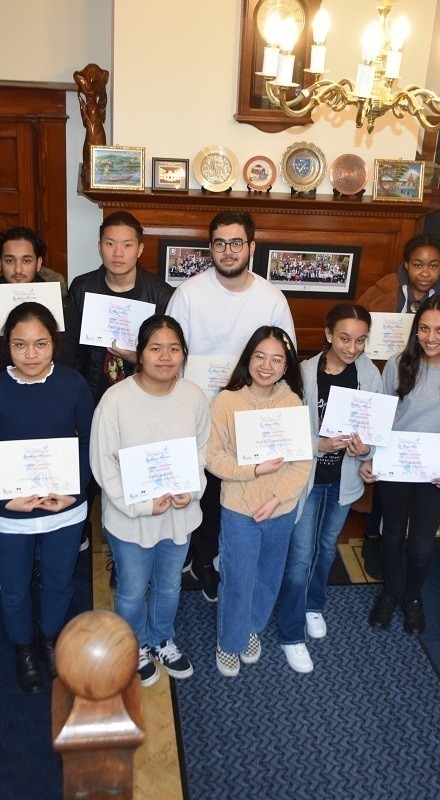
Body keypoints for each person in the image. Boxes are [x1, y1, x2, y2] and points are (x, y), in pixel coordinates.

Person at [166, 210, 295, 602]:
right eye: (220, 243)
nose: (228, 251)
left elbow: (283, 359)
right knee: (201, 492)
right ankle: (198, 558)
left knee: (234, 492)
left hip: (252, 417)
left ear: (251, 247)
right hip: (198, 411)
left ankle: (218, 559)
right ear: (210, 247)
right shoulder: (189, 293)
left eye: (236, 243)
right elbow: (171, 352)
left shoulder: (271, 298)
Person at [0, 302, 94, 694]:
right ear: (7, 345)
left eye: (40, 344)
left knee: (59, 581)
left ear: (53, 343)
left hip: (65, 507)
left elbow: (91, 442)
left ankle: (50, 638)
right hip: (12, 511)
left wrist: (74, 494)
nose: (31, 354)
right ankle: (24, 648)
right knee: (15, 584)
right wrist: (2, 498)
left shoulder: (74, 384)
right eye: (20, 345)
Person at [91, 315, 208, 687]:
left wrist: (194, 490)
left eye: (174, 349)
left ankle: (161, 639)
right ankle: (134, 645)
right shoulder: (116, 399)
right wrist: (141, 505)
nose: (165, 357)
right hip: (131, 518)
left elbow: (202, 451)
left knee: (170, 585)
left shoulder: (193, 396)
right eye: (155, 348)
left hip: (178, 514)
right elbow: (102, 463)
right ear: (139, 354)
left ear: (184, 355)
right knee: (131, 588)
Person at [360, 296, 440, 635]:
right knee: (393, 536)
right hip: (395, 468)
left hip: (435, 473)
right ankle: (391, 592)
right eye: (424, 328)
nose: (431, 337)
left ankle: (412, 597)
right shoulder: (399, 364)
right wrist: (371, 458)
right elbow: (381, 420)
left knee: (422, 544)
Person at [274, 304, 380, 673]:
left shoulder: (369, 374)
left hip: (344, 480)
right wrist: (320, 444)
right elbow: (286, 431)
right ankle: (291, 633)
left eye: (361, 340)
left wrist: (367, 451)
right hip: (307, 480)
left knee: (326, 547)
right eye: (345, 338)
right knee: (299, 554)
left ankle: (313, 604)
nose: (352, 348)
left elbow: (374, 431)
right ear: (328, 334)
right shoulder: (303, 373)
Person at [206, 326, 312, 677]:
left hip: (281, 509)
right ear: (248, 358)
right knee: (238, 578)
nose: (267, 365)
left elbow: (301, 462)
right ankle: (230, 640)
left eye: (277, 359)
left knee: (268, 576)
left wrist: (278, 497)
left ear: (287, 365)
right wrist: (253, 470)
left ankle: (251, 627)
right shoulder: (226, 401)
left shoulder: (292, 401)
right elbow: (213, 459)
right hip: (240, 509)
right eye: (260, 356)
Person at [69, 211, 174, 403]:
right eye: (110, 244)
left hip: (144, 395)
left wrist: (138, 357)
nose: (118, 253)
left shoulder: (162, 295)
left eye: (127, 245)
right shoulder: (81, 287)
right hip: (90, 393)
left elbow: (171, 356)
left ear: (139, 249)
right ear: (100, 247)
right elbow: (72, 352)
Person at [0, 226, 80, 379]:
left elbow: (68, 361)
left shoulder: (63, 307)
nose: (18, 269)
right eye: (10, 260)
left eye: (26, 260)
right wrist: (8, 347)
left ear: (38, 263)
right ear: (0, 263)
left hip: (49, 393)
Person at [357, 233, 440, 313]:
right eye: (418, 265)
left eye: (433, 266)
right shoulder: (382, 290)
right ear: (407, 264)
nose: (425, 273)